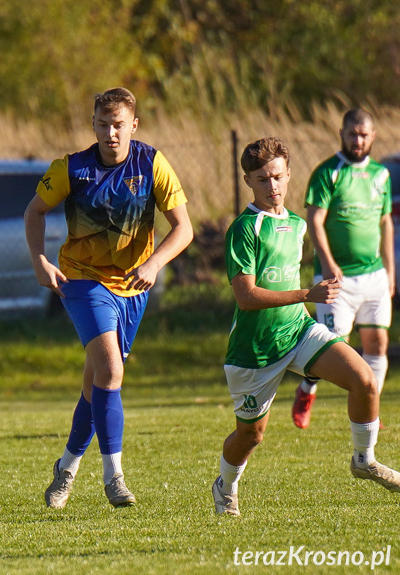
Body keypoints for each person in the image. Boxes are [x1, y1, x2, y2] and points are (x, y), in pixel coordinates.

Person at [213, 136, 400, 517]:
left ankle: (363, 459)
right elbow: (246, 296)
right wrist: (306, 294)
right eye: (263, 179)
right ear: (248, 180)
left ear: (288, 174)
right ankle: (225, 485)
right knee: (252, 435)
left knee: (364, 379)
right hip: (255, 349)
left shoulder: (297, 225)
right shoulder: (245, 229)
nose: (273, 187)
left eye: (278, 177)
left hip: (298, 331)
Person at [24, 87, 193, 509]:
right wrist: (39, 260)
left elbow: (184, 229)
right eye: (103, 124)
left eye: (119, 125)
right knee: (111, 372)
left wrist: (154, 264)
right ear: (93, 125)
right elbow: (34, 211)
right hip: (81, 281)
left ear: (133, 126)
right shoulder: (71, 168)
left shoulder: (152, 163)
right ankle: (114, 477)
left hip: (133, 287)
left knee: (96, 384)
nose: (111, 133)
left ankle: (65, 470)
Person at [291, 109, 394, 429]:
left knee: (377, 344)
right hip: (338, 281)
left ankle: (369, 407)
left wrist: (390, 270)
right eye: (353, 134)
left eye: (364, 135)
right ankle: (307, 389)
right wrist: (330, 264)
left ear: (373, 136)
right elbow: (315, 221)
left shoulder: (381, 175)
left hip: (374, 275)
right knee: (331, 347)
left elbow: (386, 222)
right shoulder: (328, 173)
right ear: (342, 134)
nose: (358, 140)